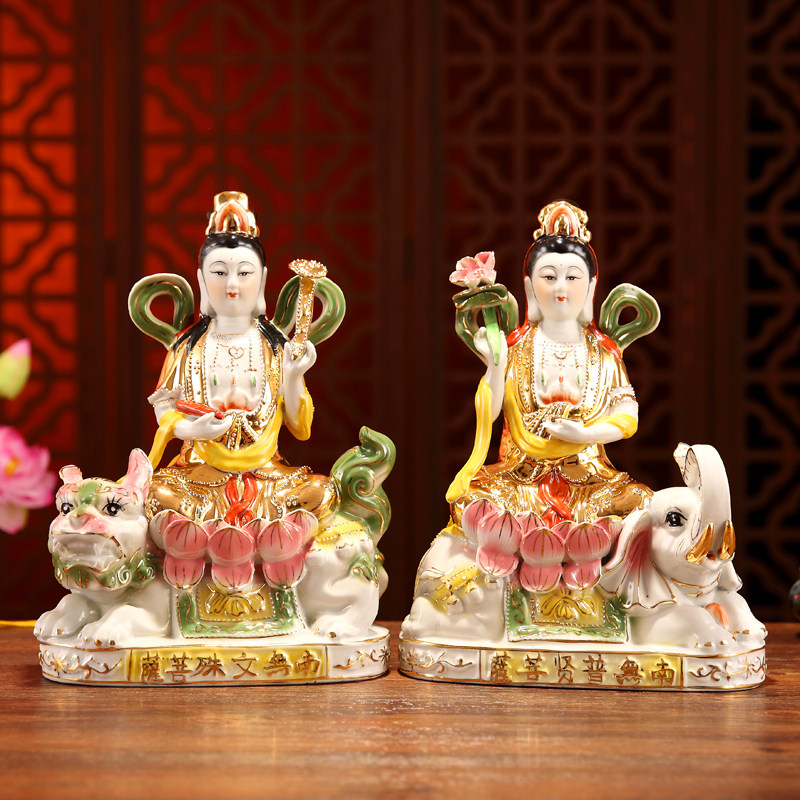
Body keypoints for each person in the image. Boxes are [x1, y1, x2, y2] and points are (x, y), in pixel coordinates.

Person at [448, 200, 651, 529]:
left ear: (590, 287)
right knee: (471, 500)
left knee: (640, 502)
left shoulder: (604, 354)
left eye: (572, 277)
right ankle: (567, 535)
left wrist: (585, 433)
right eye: (549, 276)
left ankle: (541, 534)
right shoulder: (515, 348)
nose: (560, 287)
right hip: (521, 479)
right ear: (530, 286)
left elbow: (628, 417)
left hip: (588, 480)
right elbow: (492, 411)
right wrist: (496, 364)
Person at [145, 192, 336, 524]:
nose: (232, 285)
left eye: (244, 273)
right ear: (202, 279)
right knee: (155, 494)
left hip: (266, 475)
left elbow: (300, 428)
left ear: (262, 279)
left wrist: (293, 374)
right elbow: (165, 408)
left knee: (321, 492)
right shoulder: (188, 346)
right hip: (199, 475)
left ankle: (213, 532)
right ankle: (262, 533)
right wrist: (192, 429)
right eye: (220, 273)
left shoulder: (275, 347)